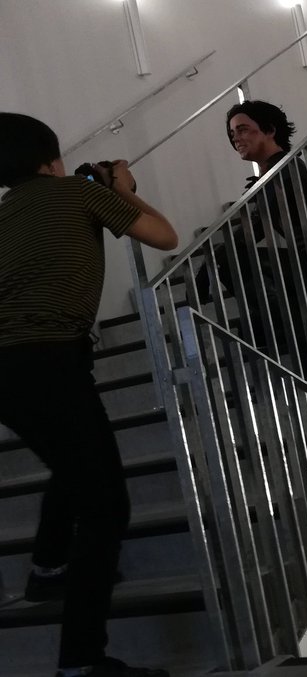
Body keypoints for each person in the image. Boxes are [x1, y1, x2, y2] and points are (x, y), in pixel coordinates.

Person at [0, 113, 178, 676]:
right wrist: (121, 190)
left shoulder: (4, 214)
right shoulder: (79, 193)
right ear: (51, 160)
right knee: (105, 507)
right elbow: (165, 236)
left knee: (74, 465)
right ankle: (81, 662)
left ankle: (48, 567)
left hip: (10, 370)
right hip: (49, 359)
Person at [209, 100, 307, 382]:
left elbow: (253, 229)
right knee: (239, 269)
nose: (236, 138)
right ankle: (293, 336)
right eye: (232, 133)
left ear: (269, 130)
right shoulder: (277, 172)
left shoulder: (284, 172)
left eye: (243, 129)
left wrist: (211, 262)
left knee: (232, 260)